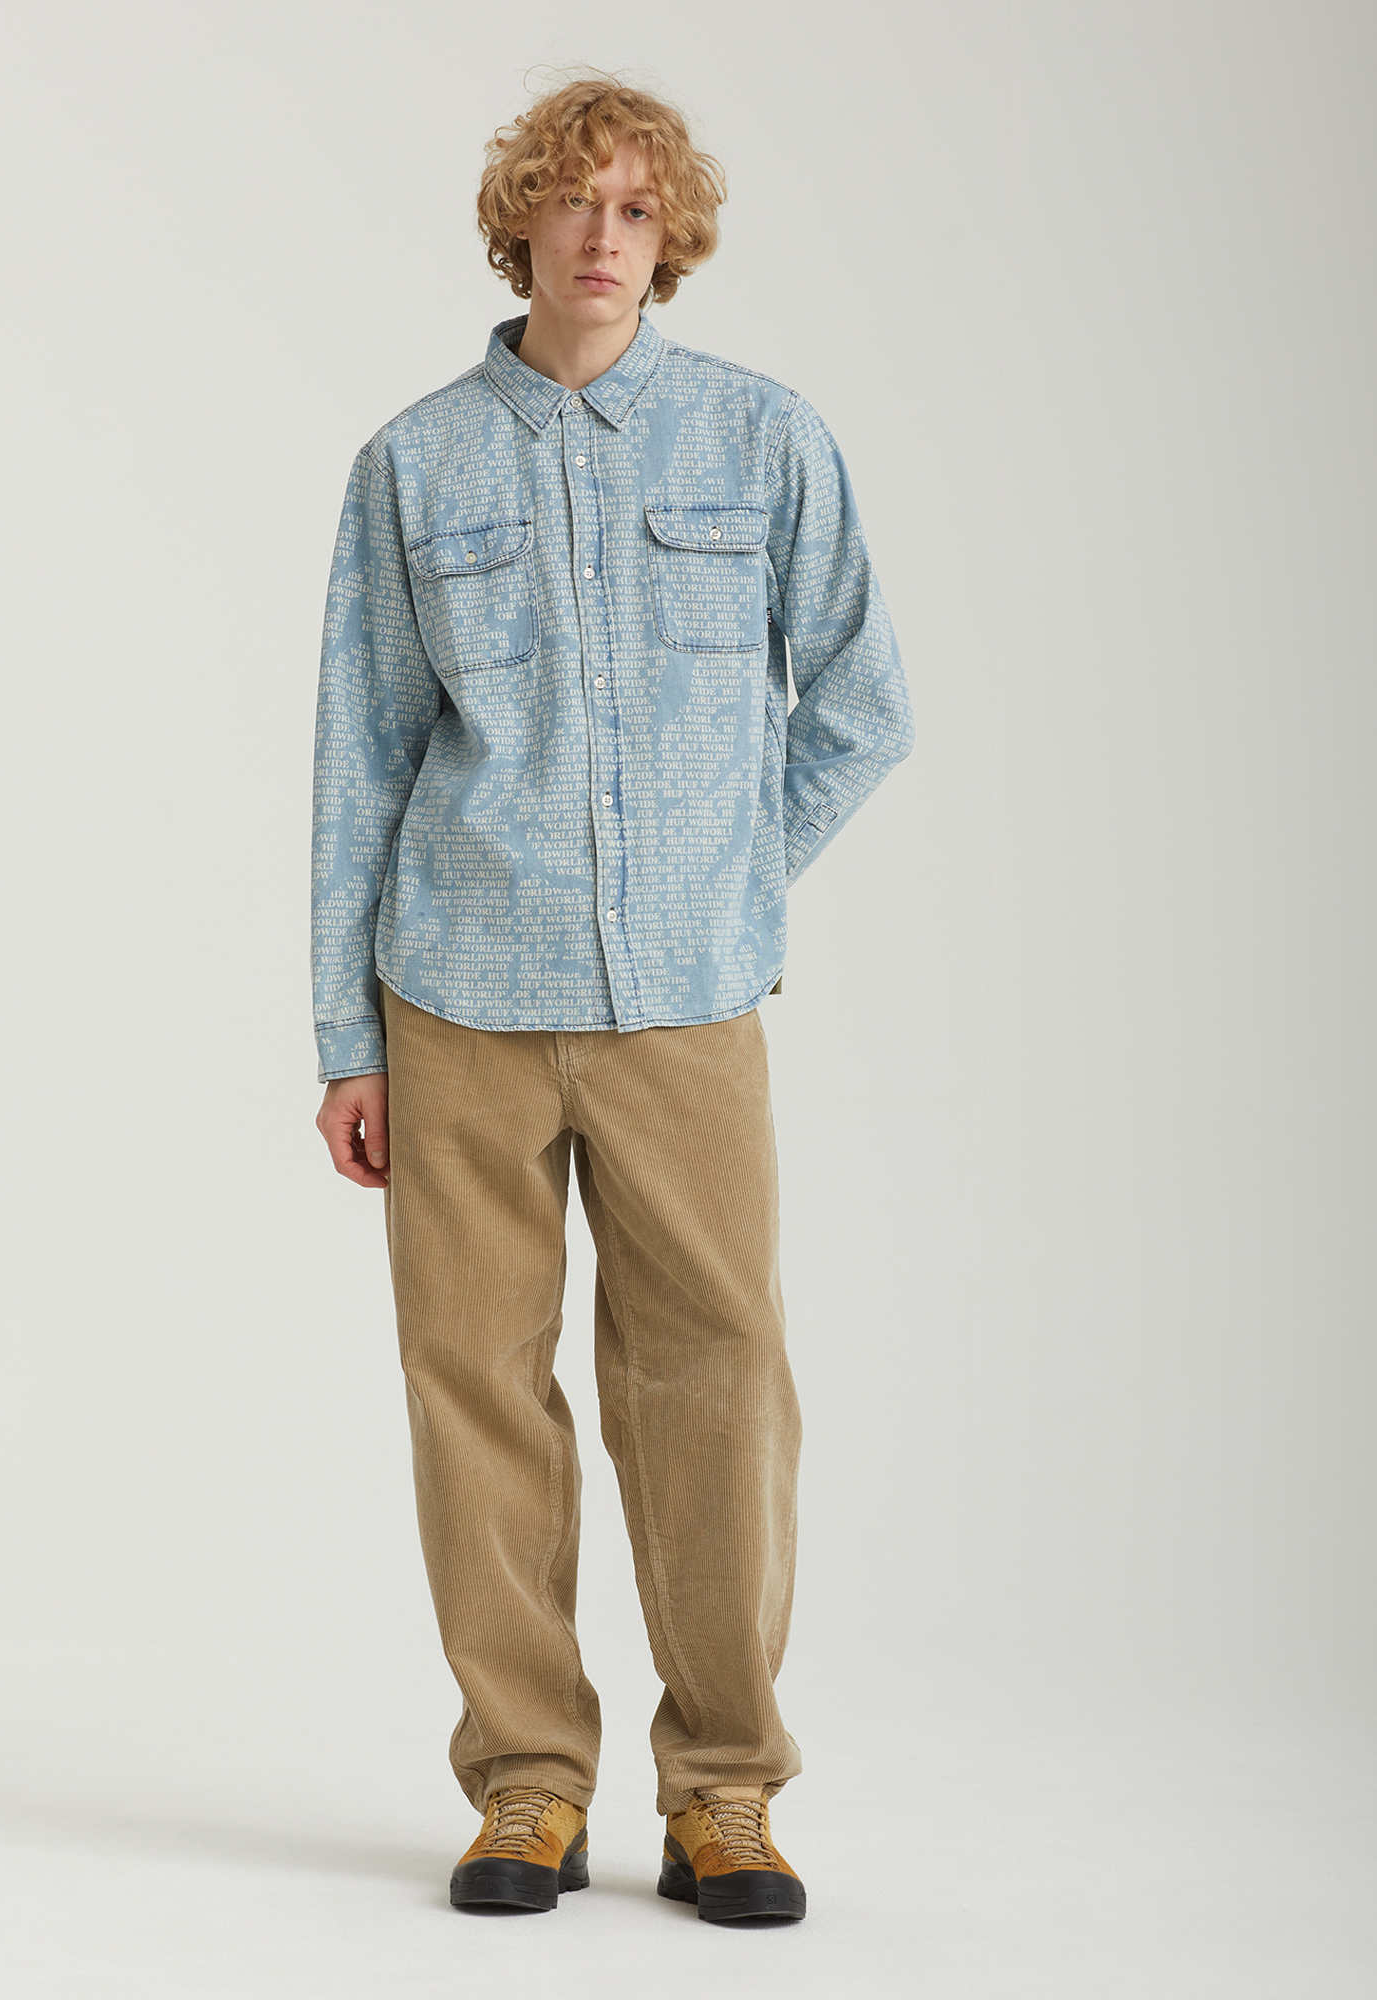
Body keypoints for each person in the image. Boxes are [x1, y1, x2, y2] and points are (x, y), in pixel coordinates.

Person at [311, 73, 913, 1924]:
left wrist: (733, 876)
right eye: (573, 202)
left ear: (673, 237)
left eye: (637, 209)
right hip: (456, 1001)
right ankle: (527, 1786)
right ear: (521, 224)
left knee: (716, 1387)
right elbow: (361, 761)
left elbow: (863, 705)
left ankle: (725, 1791)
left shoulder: (765, 438)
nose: (602, 234)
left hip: (686, 1011)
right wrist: (345, 1039)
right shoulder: (414, 462)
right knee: (472, 1389)